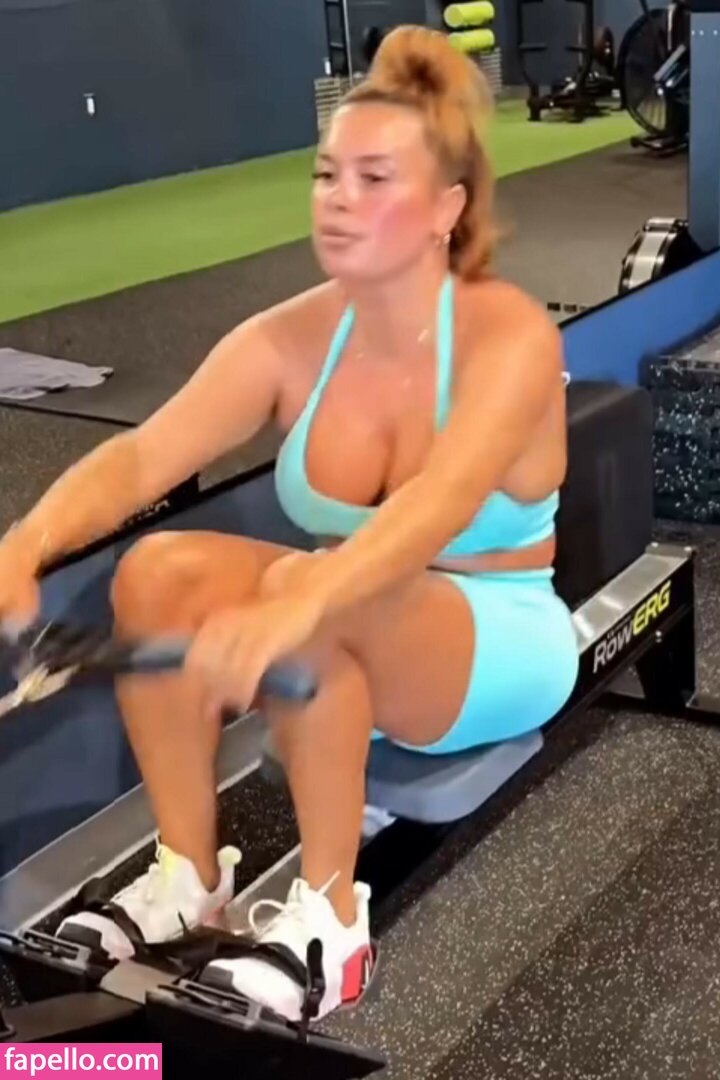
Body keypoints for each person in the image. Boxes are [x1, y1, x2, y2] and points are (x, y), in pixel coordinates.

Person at [0, 26, 579, 1022]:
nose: (338, 199)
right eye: (326, 175)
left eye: (374, 178)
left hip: (500, 633)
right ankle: (188, 878)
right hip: (344, 613)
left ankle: (330, 929)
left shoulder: (509, 335)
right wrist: (26, 542)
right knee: (156, 572)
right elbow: (143, 456)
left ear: (447, 208)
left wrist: (296, 602)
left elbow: (436, 505)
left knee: (307, 590)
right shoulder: (289, 338)